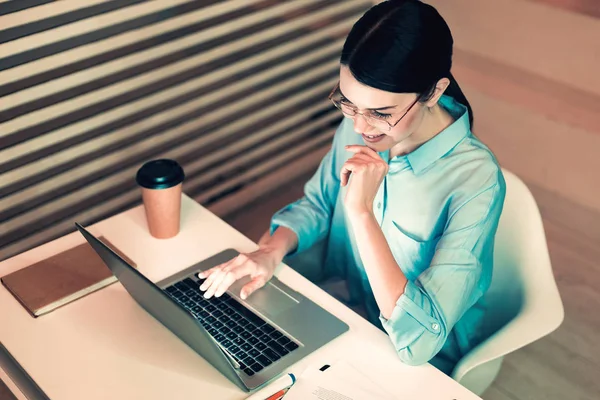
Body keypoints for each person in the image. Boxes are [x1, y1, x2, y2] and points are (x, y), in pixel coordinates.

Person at [198, 0, 506, 375]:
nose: (360, 127)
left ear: (434, 91)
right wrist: (269, 251)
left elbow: (418, 342)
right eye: (348, 103)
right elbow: (319, 204)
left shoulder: (477, 181)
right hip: (346, 313)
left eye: (381, 112)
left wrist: (361, 212)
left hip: (420, 364)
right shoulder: (362, 124)